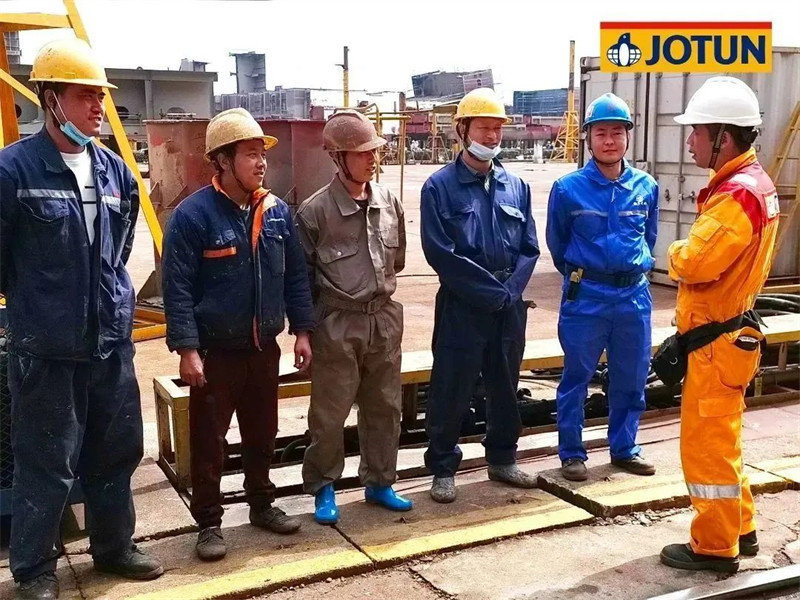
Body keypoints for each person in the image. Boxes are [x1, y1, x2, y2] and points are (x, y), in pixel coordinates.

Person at [0, 38, 163, 599]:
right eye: (85, 95)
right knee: (46, 459)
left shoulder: (115, 171)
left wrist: (106, 305)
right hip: (46, 348)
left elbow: (118, 250)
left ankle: (114, 548)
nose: (98, 106)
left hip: (110, 342)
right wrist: (39, 306)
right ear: (51, 100)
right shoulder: (13, 171)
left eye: (100, 95)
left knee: (116, 451)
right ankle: (34, 570)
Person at [162, 108, 314, 560]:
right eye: (250, 154)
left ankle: (262, 504)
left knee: (262, 432)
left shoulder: (277, 212)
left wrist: (302, 330)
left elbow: (296, 278)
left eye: (261, 154)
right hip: (216, 354)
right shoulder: (193, 216)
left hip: (263, 348)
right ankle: (209, 523)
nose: (261, 162)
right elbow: (177, 288)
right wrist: (187, 349)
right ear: (223, 160)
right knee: (210, 441)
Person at [660, 77, 780, 574]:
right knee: (724, 439)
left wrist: (673, 250)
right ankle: (741, 528)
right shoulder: (757, 185)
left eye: (697, 132)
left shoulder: (735, 196)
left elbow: (694, 262)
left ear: (724, 138)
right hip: (729, 336)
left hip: (716, 342)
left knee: (707, 447)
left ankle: (714, 546)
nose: (690, 141)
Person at [420, 88, 540, 504]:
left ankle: (503, 458)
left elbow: (529, 248)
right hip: (463, 304)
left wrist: (509, 293)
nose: (491, 136)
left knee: (506, 385)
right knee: (451, 386)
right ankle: (442, 468)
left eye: (497, 129)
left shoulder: (517, 186)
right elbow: (441, 253)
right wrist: (490, 293)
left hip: (508, 305)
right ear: (462, 130)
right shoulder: (439, 187)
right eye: (483, 128)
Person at [296, 110, 411, 524]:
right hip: (337, 322)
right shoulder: (315, 212)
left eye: (374, 151)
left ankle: (380, 481)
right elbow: (301, 280)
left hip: (383, 318)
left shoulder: (388, 202)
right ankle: (323, 486)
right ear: (337, 157)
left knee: (385, 406)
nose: (371, 159)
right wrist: (304, 332)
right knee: (330, 413)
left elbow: (397, 260)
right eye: (361, 153)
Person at [546, 93, 659, 482]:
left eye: (616, 132)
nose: (609, 140)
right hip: (587, 296)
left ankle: (625, 447)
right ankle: (571, 453)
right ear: (588, 139)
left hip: (633, 297)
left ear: (628, 136)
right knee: (576, 377)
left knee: (632, 375)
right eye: (600, 133)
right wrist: (587, 275)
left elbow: (649, 238)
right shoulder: (567, 189)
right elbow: (558, 244)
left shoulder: (646, 186)